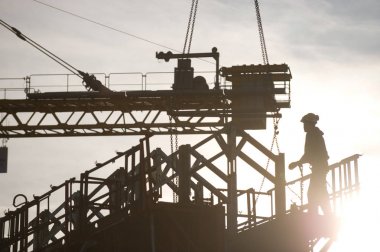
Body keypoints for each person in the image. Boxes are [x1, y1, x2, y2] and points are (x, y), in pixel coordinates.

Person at [288, 113, 332, 215]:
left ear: (310, 124)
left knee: (313, 192)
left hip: (319, 167)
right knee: (320, 191)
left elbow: (309, 154)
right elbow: (309, 154)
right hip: (320, 167)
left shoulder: (312, 135)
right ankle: (326, 213)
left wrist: (296, 163)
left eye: (305, 124)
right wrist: (299, 162)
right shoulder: (315, 134)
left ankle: (314, 213)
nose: (304, 126)